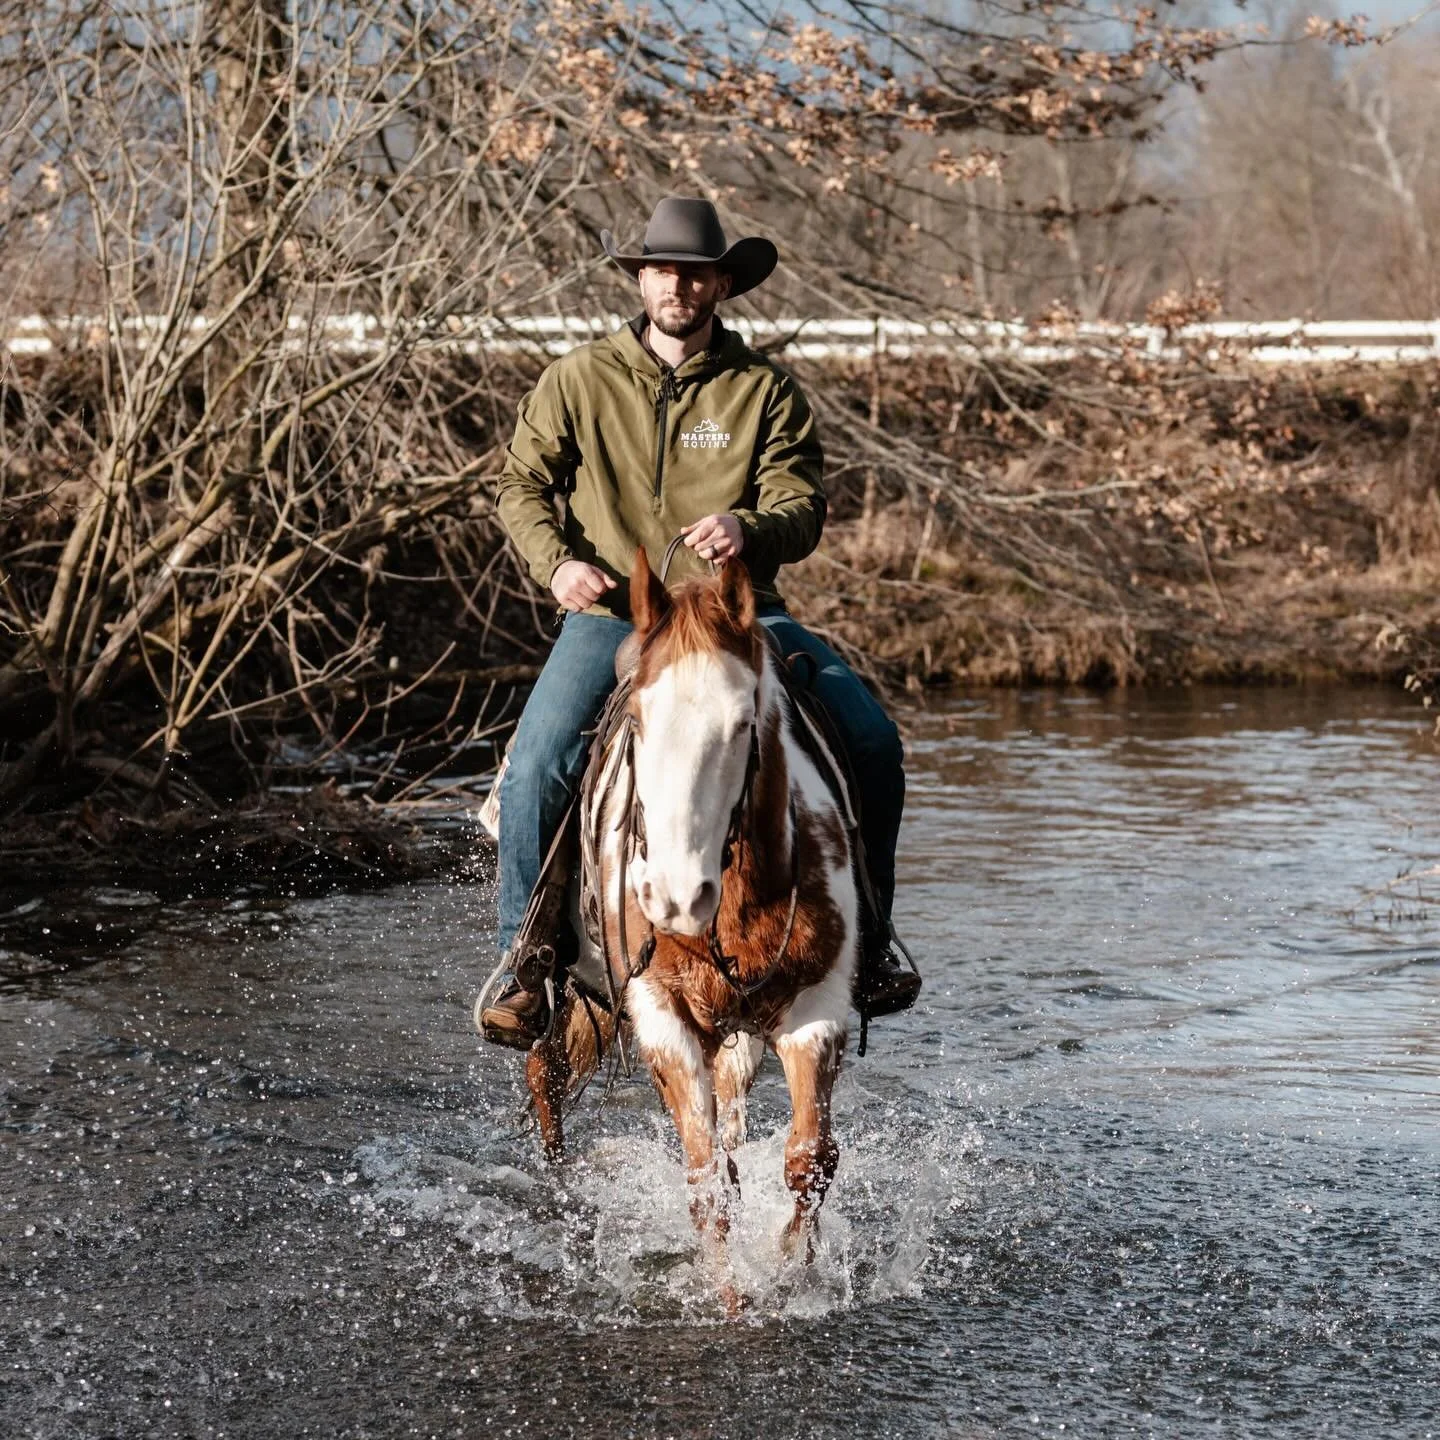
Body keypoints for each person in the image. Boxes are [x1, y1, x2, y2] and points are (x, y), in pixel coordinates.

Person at [477, 195, 919, 1048]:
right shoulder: (577, 380)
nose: (677, 284)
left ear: (722, 283)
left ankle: (870, 946)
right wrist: (560, 561)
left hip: (738, 618)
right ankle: (524, 960)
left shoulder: (765, 391)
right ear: (640, 279)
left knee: (871, 743)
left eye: (695, 271)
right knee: (536, 765)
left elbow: (803, 502)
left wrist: (750, 529)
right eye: (662, 269)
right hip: (617, 618)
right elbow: (520, 488)